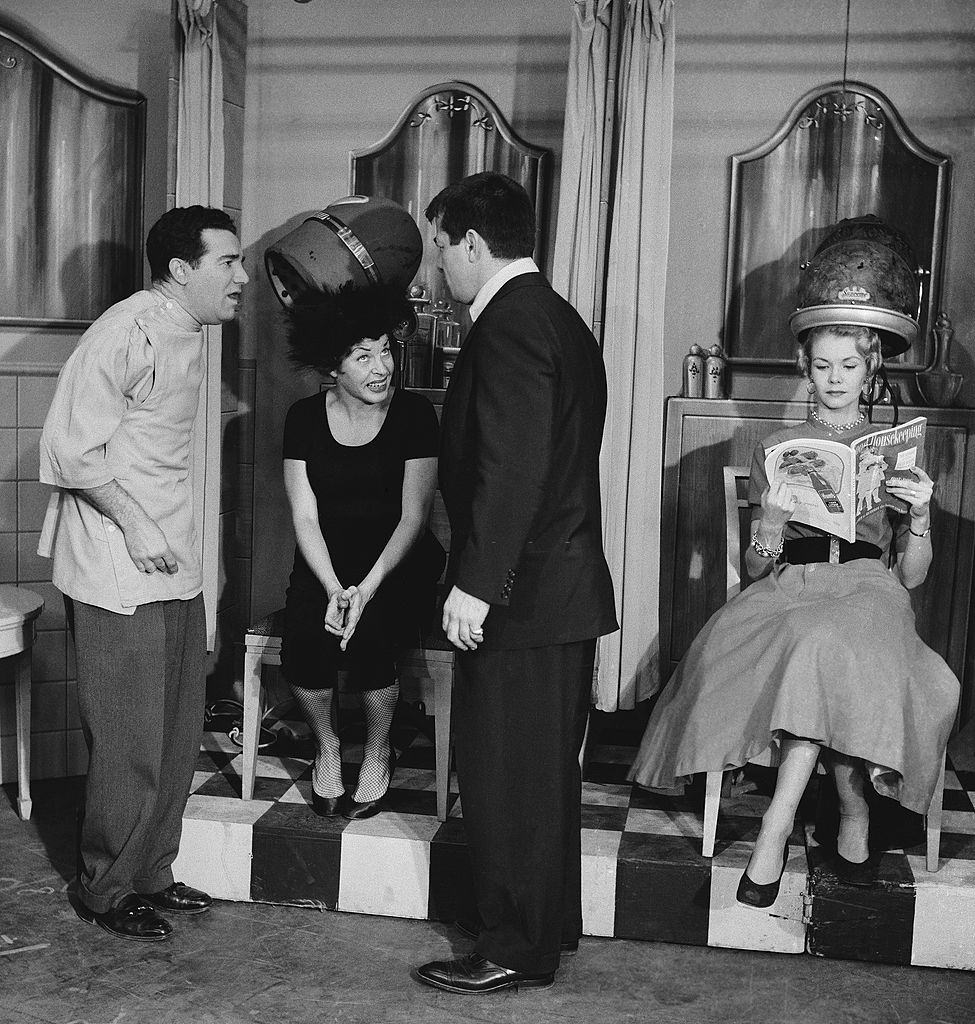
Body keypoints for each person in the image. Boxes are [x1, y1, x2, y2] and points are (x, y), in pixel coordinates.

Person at [628, 323, 959, 907]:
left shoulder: (893, 450)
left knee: (824, 645)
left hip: (868, 585)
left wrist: (923, 515)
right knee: (815, 645)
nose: (835, 379)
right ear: (806, 369)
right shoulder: (778, 447)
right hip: (791, 584)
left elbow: (909, 576)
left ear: (870, 370)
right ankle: (851, 813)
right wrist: (772, 529)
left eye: (848, 367)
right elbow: (755, 570)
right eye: (823, 366)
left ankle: (775, 830)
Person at [412, 172, 618, 994]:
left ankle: (510, 947)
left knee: (505, 775)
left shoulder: (509, 326)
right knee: (538, 777)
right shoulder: (556, 319)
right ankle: (540, 928)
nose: (434, 269)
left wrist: (476, 584)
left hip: (525, 595)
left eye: (438, 248)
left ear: (469, 242)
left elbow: (514, 469)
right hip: (553, 591)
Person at [38, 206, 249, 939]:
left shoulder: (187, 332)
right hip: (118, 566)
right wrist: (134, 521)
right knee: (129, 739)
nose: (242, 276)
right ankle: (104, 887)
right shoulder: (125, 330)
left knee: (174, 729)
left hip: (173, 565)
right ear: (182, 269)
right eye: (228, 262)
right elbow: (68, 450)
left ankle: (151, 871)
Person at [280, 284, 442, 819]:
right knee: (305, 641)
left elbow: (413, 516)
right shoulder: (302, 419)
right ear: (334, 364)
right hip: (327, 559)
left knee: (373, 637)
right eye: (363, 356)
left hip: (399, 560)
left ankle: (377, 751)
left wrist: (365, 589)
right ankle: (327, 745)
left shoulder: (416, 414)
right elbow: (304, 514)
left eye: (386, 351)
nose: (382, 367)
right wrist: (331, 587)